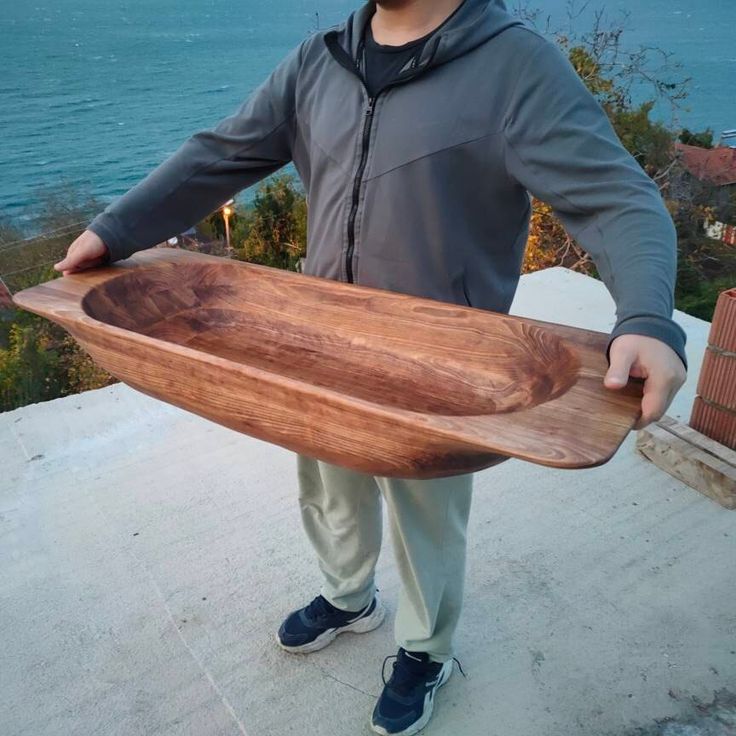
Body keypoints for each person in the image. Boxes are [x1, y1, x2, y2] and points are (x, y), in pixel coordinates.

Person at [54, 0, 688, 733]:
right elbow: (219, 153)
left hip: (445, 367)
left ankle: (426, 649)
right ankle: (348, 596)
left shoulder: (514, 65)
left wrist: (645, 317)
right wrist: (113, 230)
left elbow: (615, 196)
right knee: (327, 483)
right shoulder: (320, 59)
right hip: (317, 341)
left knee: (427, 516)